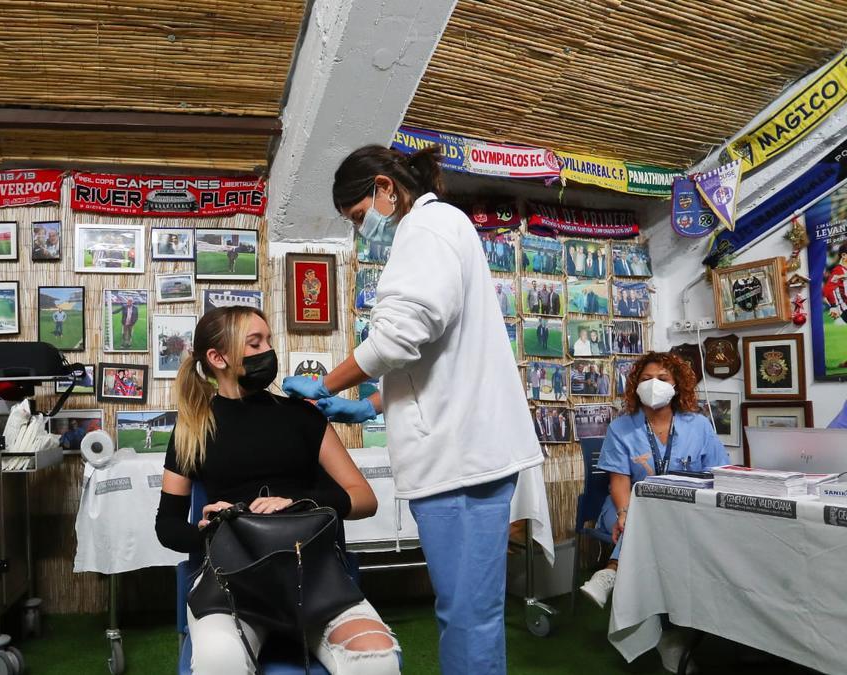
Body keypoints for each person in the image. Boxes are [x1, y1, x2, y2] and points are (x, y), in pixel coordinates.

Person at [281, 145, 542, 675]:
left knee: (468, 614)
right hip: (463, 451)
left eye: (359, 217)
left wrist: (323, 383)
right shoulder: (439, 229)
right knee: (465, 610)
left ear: (384, 188)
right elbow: (434, 359)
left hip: (460, 461)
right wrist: (366, 405)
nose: (362, 230)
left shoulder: (424, 229)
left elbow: (399, 339)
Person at [155, 306, 399, 674]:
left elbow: (364, 499)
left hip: (315, 576)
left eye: (268, 340)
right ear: (217, 358)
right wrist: (204, 532)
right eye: (255, 343)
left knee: (377, 662)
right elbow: (168, 525)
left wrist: (298, 503)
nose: (268, 351)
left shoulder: (303, 416)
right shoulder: (192, 430)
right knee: (220, 662)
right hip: (231, 584)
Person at [579, 352, 728, 670]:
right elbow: (619, 482)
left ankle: (612, 571)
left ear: (677, 385)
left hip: (683, 511)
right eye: (646, 379)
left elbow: (716, 474)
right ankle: (669, 637)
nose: (654, 385)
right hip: (628, 507)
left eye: (662, 378)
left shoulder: (698, 425)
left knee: (668, 528)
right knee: (647, 522)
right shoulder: (622, 428)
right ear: (635, 386)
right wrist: (623, 514)